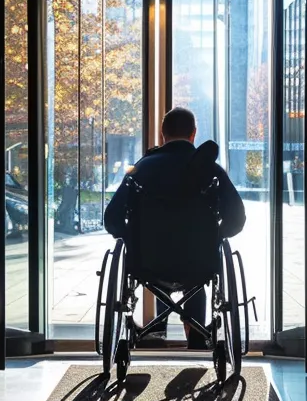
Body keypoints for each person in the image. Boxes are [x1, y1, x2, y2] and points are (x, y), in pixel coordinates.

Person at [103, 107, 247, 349]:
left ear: (162, 134)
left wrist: (132, 237)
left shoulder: (140, 169)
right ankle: (198, 334)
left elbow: (112, 220)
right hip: (200, 261)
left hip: (148, 262)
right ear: (193, 134)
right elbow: (237, 218)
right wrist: (216, 235)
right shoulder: (210, 169)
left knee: (158, 266)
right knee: (195, 273)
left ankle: (157, 329)